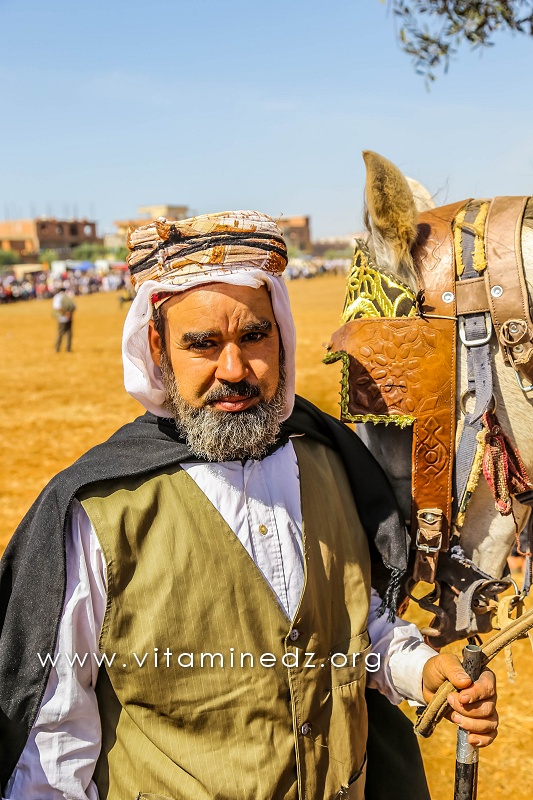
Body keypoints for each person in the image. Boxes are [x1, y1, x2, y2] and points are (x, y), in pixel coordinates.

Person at [0, 211, 498, 800]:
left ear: (281, 334)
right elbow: (55, 746)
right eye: (203, 343)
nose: (233, 370)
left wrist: (420, 670)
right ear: (158, 347)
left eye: (253, 337)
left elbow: (354, 624)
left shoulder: (328, 461)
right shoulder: (102, 514)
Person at [53, 286, 76, 352]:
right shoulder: (68, 296)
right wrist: (70, 314)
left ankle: (57, 349)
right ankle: (68, 349)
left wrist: (66, 314)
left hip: (62, 318)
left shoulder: (57, 297)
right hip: (69, 317)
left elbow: (57, 307)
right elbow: (74, 306)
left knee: (60, 333)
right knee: (69, 333)